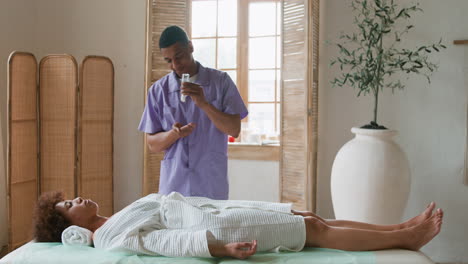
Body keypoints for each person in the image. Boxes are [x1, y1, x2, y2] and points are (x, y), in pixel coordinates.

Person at [33, 191, 443, 259]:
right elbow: (165, 243)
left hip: (218, 211)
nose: (79, 198)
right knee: (314, 232)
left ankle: (396, 228)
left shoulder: (112, 217)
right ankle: (407, 238)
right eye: (69, 204)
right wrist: (219, 248)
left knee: (311, 218)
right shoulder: (107, 236)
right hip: (220, 229)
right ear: (68, 227)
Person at [138, 25, 248, 200]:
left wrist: (204, 104)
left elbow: (234, 129)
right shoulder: (158, 90)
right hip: (174, 186)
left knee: (212, 227)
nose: (175, 65)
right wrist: (173, 134)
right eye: (168, 61)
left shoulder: (221, 82)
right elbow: (152, 144)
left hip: (210, 184)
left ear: (190, 47)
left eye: (179, 57)